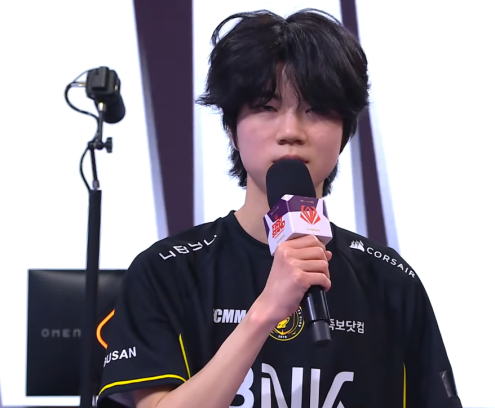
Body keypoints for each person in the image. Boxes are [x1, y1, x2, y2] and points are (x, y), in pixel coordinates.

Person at [96, 8, 462, 408]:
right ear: (231, 129)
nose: (291, 132)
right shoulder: (167, 271)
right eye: (266, 107)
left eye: (315, 109)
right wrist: (266, 311)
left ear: (344, 132)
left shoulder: (389, 279)